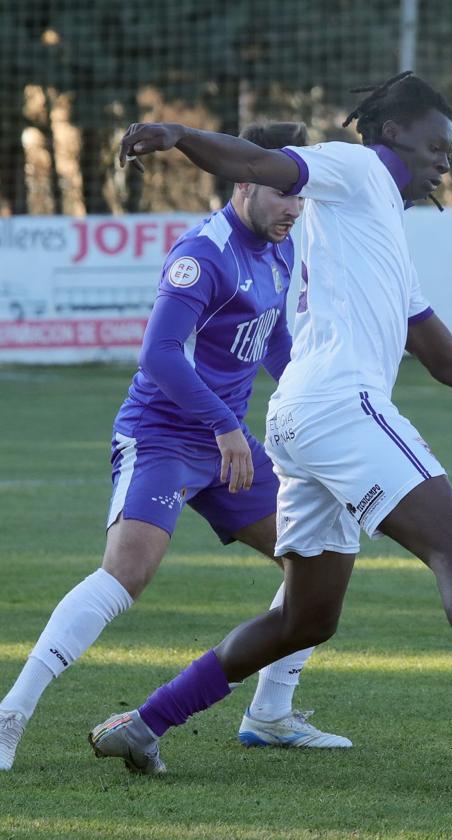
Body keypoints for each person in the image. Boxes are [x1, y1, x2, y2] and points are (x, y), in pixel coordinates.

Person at [87, 72, 452, 786]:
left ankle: (142, 724)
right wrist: (182, 137)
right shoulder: (352, 168)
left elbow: (449, 359)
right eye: (438, 145)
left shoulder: (377, 231)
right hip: (338, 403)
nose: (447, 161)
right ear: (393, 133)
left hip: (298, 417)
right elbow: (259, 164)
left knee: (306, 618)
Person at [0, 123, 353, 773]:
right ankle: (11, 713)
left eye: (299, 197)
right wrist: (224, 426)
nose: (294, 209)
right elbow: (159, 355)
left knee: (318, 558)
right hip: (163, 434)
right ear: (243, 181)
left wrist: (314, 399)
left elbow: (272, 341)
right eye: (282, 195)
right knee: (125, 574)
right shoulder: (204, 252)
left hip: (226, 442)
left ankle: (271, 715)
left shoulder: (280, 246)